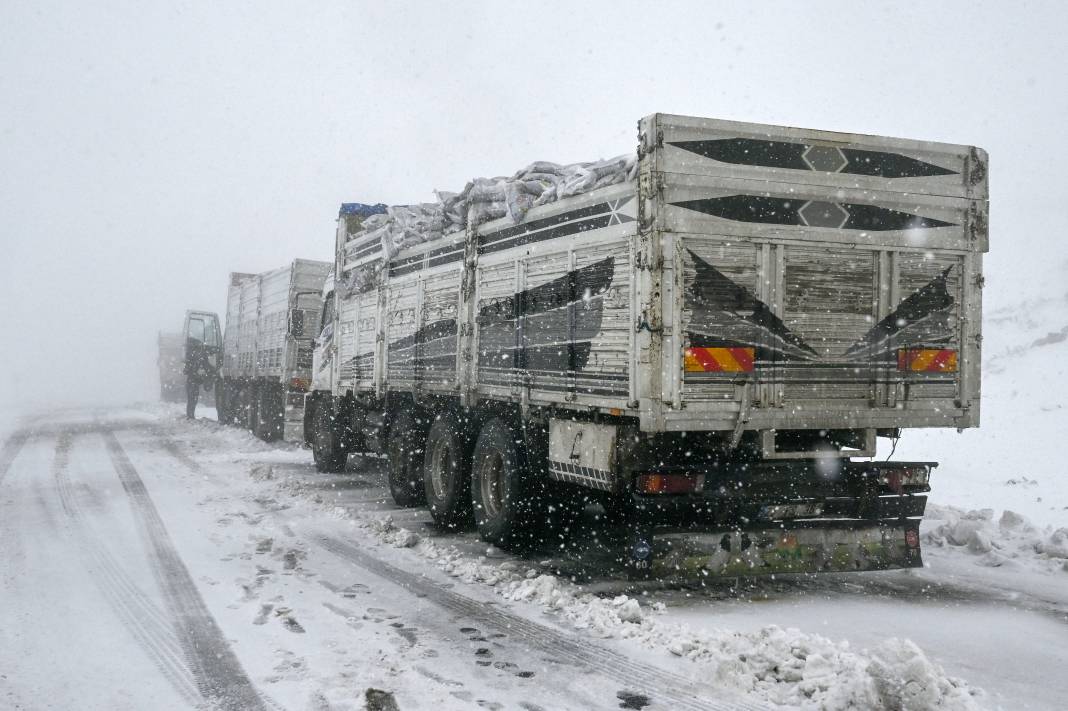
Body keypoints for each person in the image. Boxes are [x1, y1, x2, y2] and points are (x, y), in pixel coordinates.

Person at [183, 338, 218, 419]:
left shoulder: (190, 355)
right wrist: (212, 371)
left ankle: (190, 415)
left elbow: (186, 370)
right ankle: (190, 416)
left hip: (191, 381)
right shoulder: (200, 355)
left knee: (192, 399)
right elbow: (207, 366)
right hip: (193, 381)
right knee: (193, 399)